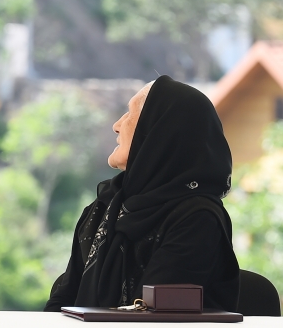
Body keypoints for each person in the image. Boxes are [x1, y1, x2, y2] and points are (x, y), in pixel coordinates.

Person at [44, 75, 239, 312]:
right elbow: (63, 300)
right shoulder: (105, 207)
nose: (117, 125)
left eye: (130, 115)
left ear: (159, 132)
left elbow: (150, 314)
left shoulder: (197, 218)